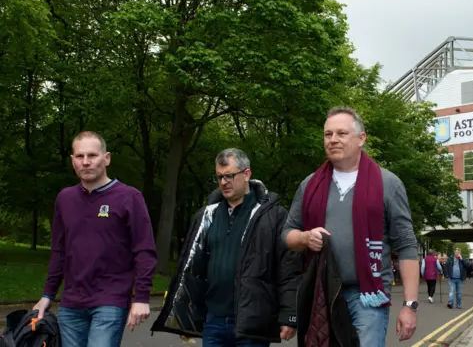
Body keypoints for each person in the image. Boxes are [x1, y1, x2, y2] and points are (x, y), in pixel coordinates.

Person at [282, 106, 420, 346]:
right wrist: (305, 238)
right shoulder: (309, 185)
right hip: (320, 294)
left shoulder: (388, 184)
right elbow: (286, 235)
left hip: (368, 297)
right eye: (328, 134)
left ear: (361, 139)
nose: (333, 140)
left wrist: (409, 305)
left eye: (342, 133)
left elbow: (407, 246)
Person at [151, 148, 302, 346]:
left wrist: (289, 314)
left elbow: (289, 268)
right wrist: (186, 316)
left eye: (229, 176)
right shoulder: (206, 216)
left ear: (246, 174)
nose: (223, 182)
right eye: (219, 177)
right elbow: (193, 270)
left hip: (252, 322)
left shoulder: (273, 217)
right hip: (213, 321)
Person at [32, 131, 158, 347]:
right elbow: (59, 251)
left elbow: (144, 250)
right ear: (73, 161)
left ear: (106, 158)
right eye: (80, 156)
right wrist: (47, 295)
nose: (86, 162)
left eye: (92, 155)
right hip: (71, 303)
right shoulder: (65, 198)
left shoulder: (129, 197)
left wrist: (141, 297)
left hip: (110, 300)